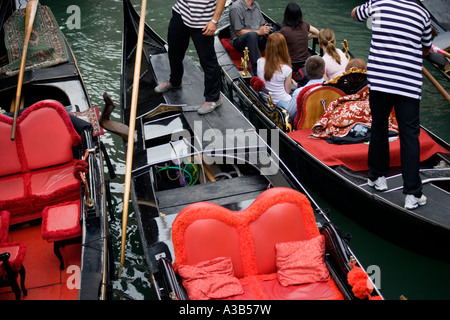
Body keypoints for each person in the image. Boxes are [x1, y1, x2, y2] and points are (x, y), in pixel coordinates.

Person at [352, 0, 432, 210]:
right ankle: (412, 193)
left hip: (380, 81)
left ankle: (376, 176)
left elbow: (355, 14)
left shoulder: (379, 3)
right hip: (407, 83)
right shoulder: (422, 14)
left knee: (379, 127)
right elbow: (425, 49)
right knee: (409, 136)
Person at [154, 0, 226, 115]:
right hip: (181, 12)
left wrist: (214, 21)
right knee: (174, 51)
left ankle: (214, 98)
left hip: (204, 21)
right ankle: (175, 81)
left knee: (208, 60)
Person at [229, 0, 272, 73]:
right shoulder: (236, 8)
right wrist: (259, 32)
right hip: (240, 40)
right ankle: (258, 70)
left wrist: (265, 29)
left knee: (276, 33)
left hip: (257, 37)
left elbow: (261, 24)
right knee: (252, 35)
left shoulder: (256, 5)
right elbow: (239, 32)